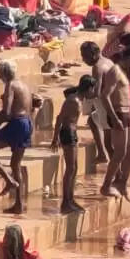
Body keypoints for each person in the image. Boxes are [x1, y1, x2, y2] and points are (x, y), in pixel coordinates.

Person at [0, 60, 33, 214]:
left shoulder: (10, 85)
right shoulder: (24, 85)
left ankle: (9, 181)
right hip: (27, 124)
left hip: (17, 124)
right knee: (15, 164)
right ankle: (19, 204)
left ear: (3, 74)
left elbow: (7, 113)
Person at [55, 83, 88, 215]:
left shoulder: (79, 98)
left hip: (72, 133)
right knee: (70, 168)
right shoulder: (72, 100)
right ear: (88, 88)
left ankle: (70, 199)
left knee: (74, 168)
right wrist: (55, 137)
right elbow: (59, 118)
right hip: (67, 133)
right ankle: (65, 203)